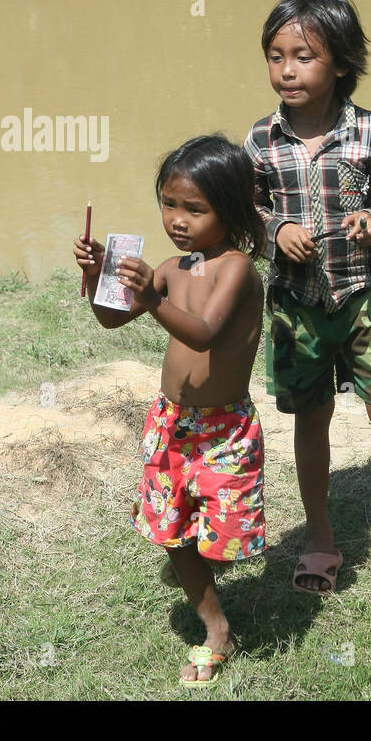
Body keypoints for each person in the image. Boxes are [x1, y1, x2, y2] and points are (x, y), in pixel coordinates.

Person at [243, 0, 371, 596]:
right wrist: (277, 230)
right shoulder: (260, 141)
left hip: (360, 303)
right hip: (296, 312)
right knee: (310, 421)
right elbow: (243, 212)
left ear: (343, 64)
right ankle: (320, 535)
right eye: (276, 57)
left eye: (303, 56)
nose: (287, 70)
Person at [74, 135, 266, 685]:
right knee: (173, 531)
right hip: (170, 425)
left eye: (194, 208)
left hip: (224, 429)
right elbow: (113, 320)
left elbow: (204, 333)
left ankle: (205, 569)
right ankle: (216, 628)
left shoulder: (235, 270)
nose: (177, 220)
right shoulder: (168, 266)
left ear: (228, 210)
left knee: (224, 538)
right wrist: (98, 279)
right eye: (169, 204)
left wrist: (153, 298)